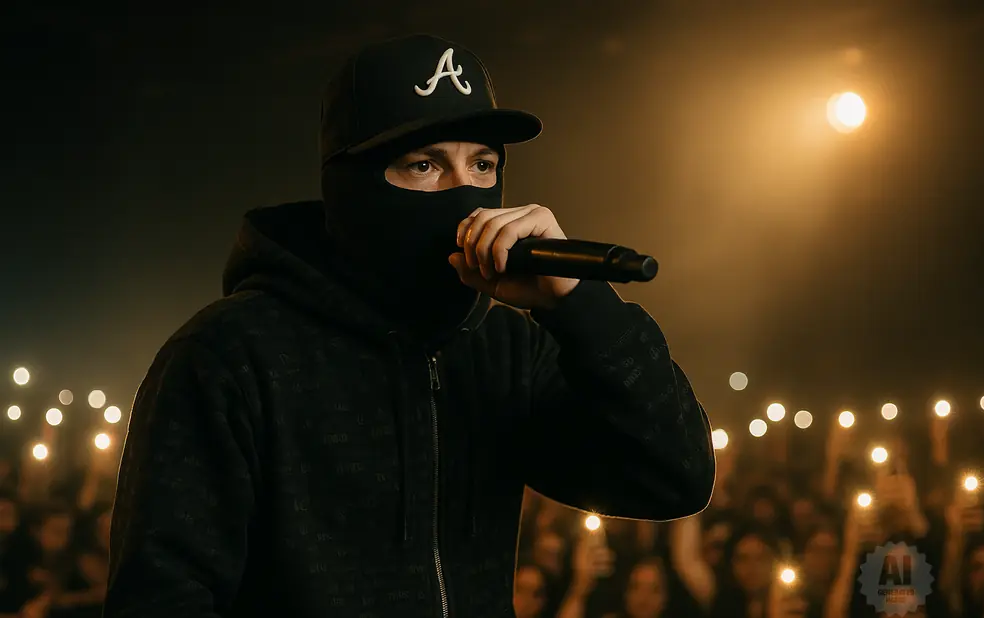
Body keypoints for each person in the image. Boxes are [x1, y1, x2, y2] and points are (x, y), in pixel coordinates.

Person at [103, 34, 716, 618]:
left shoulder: (504, 347)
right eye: (424, 165)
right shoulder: (228, 355)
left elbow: (673, 478)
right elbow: (160, 599)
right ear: (351, 186)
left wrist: (580, 306)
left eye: (482, 163)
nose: (466, 196)